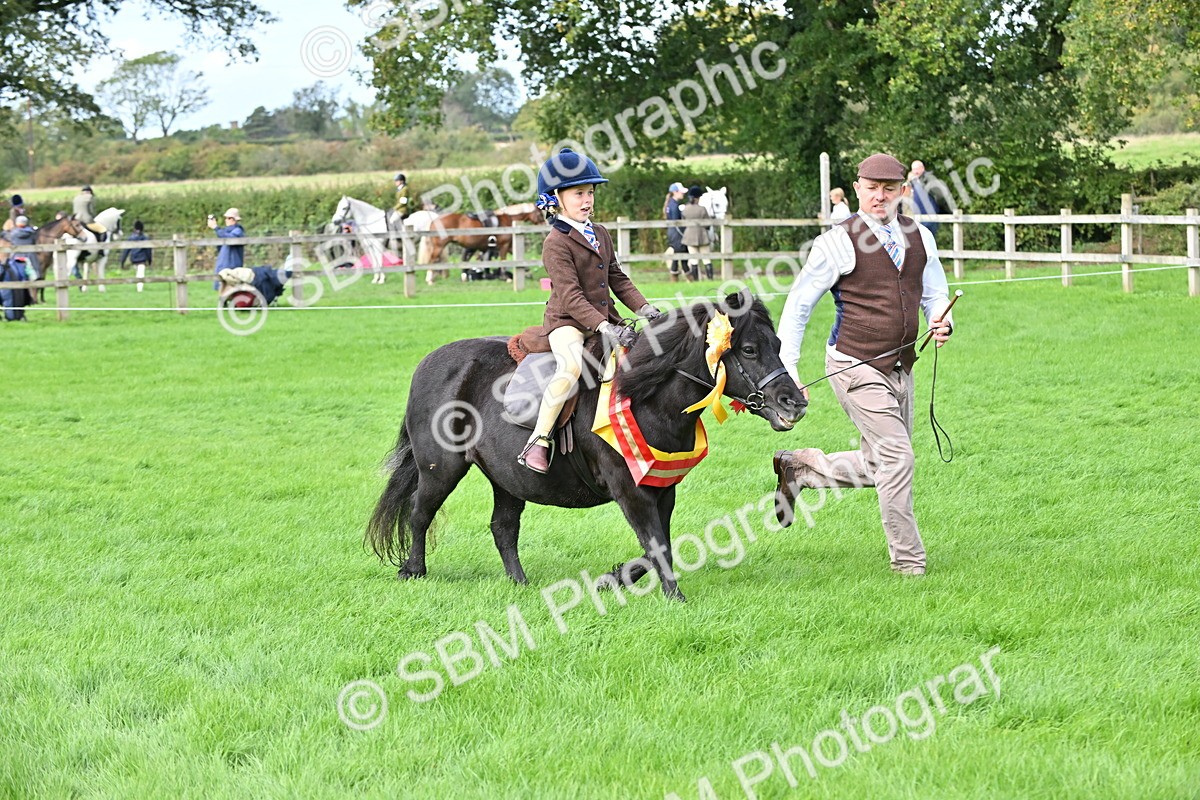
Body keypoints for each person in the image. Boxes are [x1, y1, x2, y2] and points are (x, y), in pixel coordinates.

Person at [774, 153, 955, 577]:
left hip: (901, 366)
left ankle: (801, 468)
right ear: (857, 188)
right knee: (898, 458)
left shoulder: (920, 237)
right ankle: (908, 563)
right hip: (852, 364)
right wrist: (790, 371)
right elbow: (798, 307)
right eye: (871, 188)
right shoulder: (835, 242)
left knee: (881, 465)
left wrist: (941, 319)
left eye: (889, 189)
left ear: (902, 192)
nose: (880, 197)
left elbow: (935, 293)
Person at [518, 148, 663, 473]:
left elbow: (617, 278)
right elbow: (570, 296)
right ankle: (538, 440)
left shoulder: (600, 233)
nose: (587, 200)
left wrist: (644, 307)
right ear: (556, 197)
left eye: (590, 193)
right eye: (578, 194)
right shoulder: (556, 242)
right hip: (567, 323)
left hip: (605, 319)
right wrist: (603, 327)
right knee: (569, 368)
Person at [680, 185, 713, 280]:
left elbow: (683, 222)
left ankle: (696, 280)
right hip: (702, 236)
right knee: (706, 259)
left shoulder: (685, 209)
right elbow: (707, 224)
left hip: (689, 236)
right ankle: (710, 279)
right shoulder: (702, 209)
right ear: (698, 198)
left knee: (694, 260)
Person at [207, 208, 246, 283]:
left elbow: (229, 238)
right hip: (224, 263)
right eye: (226, 218)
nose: (226, 220)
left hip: (232, 265)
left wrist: (216, 227)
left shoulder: (238, 231)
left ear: (234, 219)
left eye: (228, 218)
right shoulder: (226, 231)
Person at [2, 215, 40, 281]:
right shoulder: (32, 234)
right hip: (31, 258)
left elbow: (4, 235)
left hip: (16, 258)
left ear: (17, 223)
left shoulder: (12, 234)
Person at [906, 161, 940, 234]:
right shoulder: (912, 182)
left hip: (930, 217)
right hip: (917, 217)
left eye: (917, 169)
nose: (916, 172)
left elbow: (939, 196)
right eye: (914, 169)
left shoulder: (929, 179)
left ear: (923, 168)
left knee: (929, 240)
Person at [663, 182, 688, 281]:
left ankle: (676, 276)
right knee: (681, 254)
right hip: (677, 233)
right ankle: (689, 277)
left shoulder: (671, 204)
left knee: (678, 255)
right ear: (675, 192)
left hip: (672, 232)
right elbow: (676, 221)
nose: (683, 194)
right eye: (680, 192)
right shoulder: (674, 205)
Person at [120, 220, 153, 292]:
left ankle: (139, 288)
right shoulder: (145, 238)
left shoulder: (131, 238)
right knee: (140, 274)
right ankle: (139, 289)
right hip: (142, 259)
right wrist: (150, 261)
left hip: (134, 259)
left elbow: (126, 251)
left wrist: (122, 261)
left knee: (138, 273)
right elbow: (148, 251)